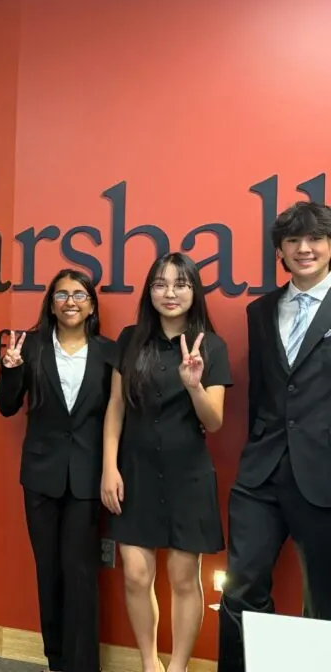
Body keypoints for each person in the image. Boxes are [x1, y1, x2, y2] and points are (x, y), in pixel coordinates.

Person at [101, 252, 232, 672]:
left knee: (182, 578)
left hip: (187, 476)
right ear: (149, 291)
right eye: (160, 283)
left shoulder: (211, 345)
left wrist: (193, 386)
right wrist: (109, 466)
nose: (170, 292)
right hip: (135, 472)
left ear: (194, 291)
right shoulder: (129, 339)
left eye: (180, 283)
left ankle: (177, 666)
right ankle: (148, 663)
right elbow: (116, 408)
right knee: (136, 575)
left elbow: (214, 422)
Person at [218, 201, 331, 671]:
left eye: (316, 239)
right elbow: (265, 392)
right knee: (240, 589)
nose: (304, 248)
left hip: (324, 474)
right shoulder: (260, 311)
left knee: (323, 601)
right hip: (260, 474)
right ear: (279, 251)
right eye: (293, 241)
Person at [0, 268, 116, 672]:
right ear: (51, 303)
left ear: (92, 305)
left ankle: (83, 666)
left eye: (79, 294)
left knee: (80, 574)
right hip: (41, 477)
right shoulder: (30, 349)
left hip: (86, 478)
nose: (70, 301)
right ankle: (57, 662)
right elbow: (7, 406)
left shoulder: (108, 352)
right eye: (62, 294)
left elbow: (120, 414)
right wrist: (11, 370)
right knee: (48, 572)